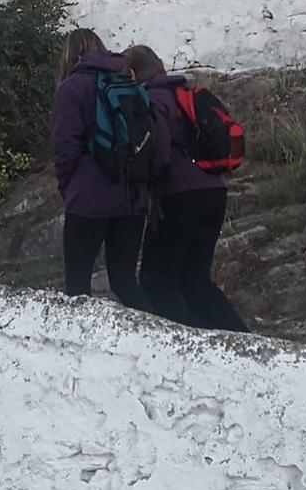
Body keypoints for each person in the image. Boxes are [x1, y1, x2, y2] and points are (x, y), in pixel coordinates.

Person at [128, 45, 248, 333]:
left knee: (157, 278)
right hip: (215, 190)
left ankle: (184, 345)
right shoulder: (186, 94)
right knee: (195, 277)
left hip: (179, 195)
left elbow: (159, 151)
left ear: (131, 74)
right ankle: (239, 338)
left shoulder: (152, 99)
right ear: (160, 64)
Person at [49, 28, 149, 306]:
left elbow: (65, 145)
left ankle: (81, 346)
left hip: (89, 198)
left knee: (78, 284)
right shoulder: (129, 81)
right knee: (125, 280)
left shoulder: (72, 87)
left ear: (70, 54)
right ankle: (151, 338)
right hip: (132, 195)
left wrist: (68, 187)